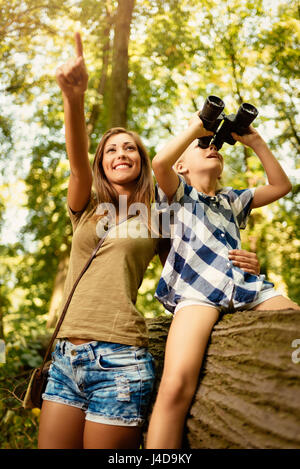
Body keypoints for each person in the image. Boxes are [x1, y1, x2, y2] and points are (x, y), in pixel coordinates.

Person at [38, 32, 262, 449]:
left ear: (140, 161)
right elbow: (76, 159)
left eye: (130, 149)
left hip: (122, 359)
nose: (120, 153)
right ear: (102, 164)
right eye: (111, 150)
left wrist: (247, 269)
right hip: (66, 359)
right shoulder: (85, 206)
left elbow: (195, 265)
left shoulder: (160, 217)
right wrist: (74, 96)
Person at [146, 110, 300, 449]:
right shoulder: (178, 195)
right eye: (202, 145)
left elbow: (281, 186)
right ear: (182, 166)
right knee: (175, 386)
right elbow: (160, 163)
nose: (212, 146)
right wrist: (196, 128)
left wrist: (255, 141)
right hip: (197, 292)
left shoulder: (232, 199)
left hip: (246, 286)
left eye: (214, 144)